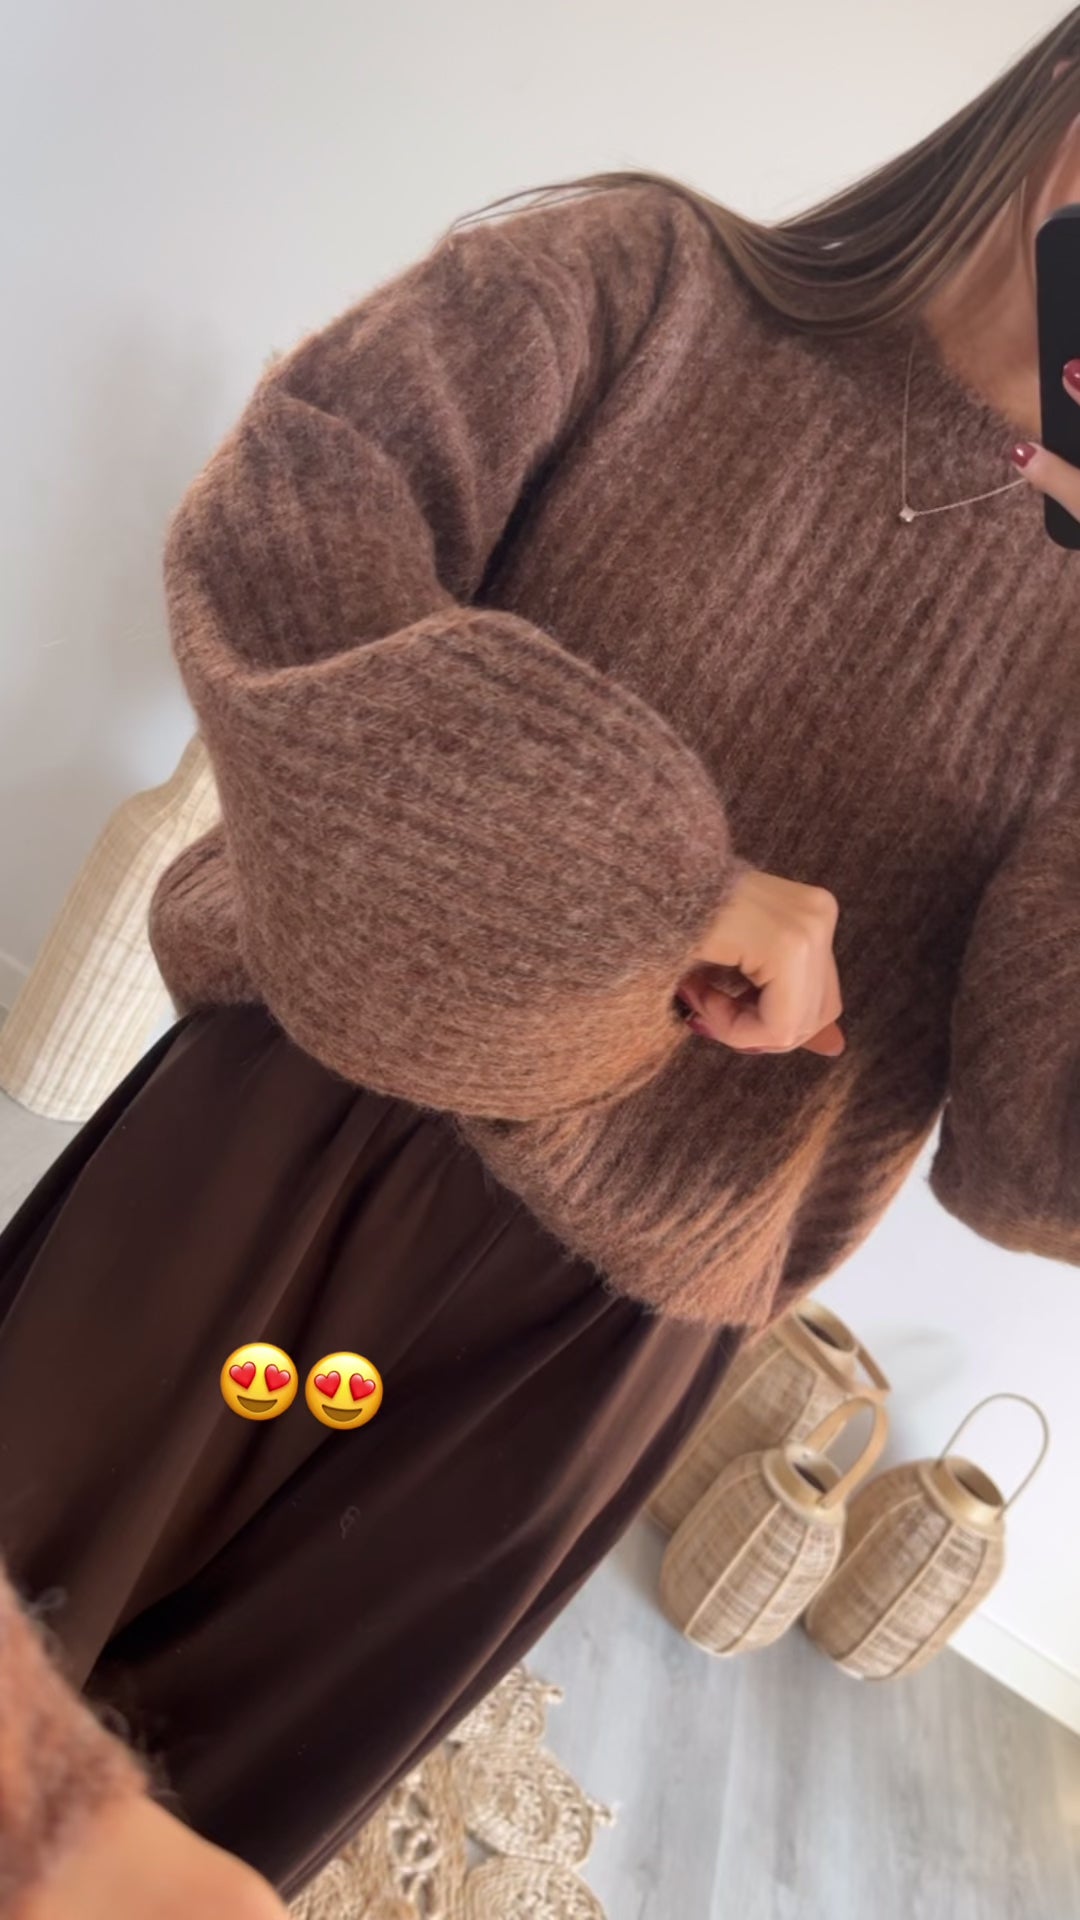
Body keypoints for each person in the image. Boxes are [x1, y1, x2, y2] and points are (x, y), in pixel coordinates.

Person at [3, 13, 1080, 1916]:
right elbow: (287, 536)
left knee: (186, 1855)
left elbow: (1037, 1157)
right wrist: (648, 890)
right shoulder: (645, 283)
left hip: (577, 1360)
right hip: (277, 1146)